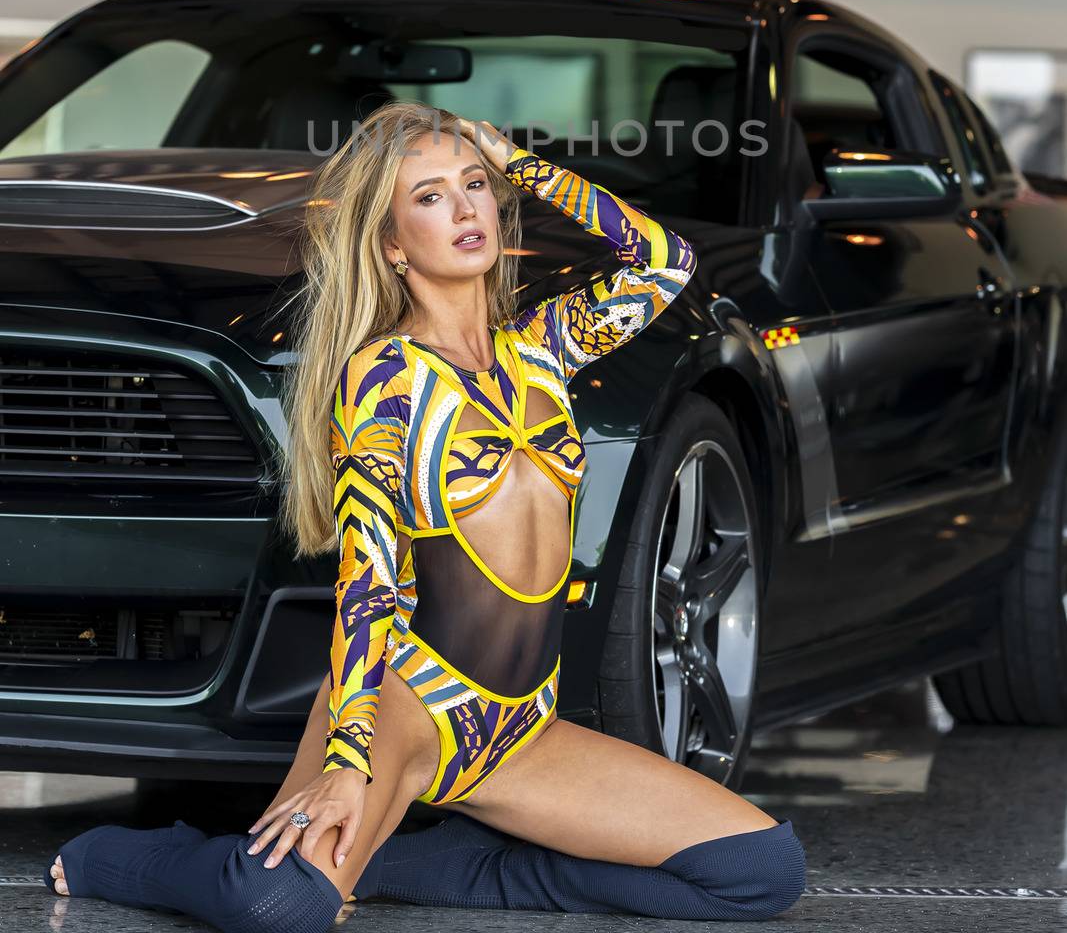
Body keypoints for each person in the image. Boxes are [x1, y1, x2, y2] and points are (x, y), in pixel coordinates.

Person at [46, 104, 806, 926]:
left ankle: (416, 865)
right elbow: (366, 572)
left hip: (520, 726)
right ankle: (126, 855)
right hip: (412, 706)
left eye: (473, 187)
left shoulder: (545, 347)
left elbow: (663, 262)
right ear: (391, 245)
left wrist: (518, 162)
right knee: (275, 903)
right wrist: (345, 756)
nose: (466, 207)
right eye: (431, 197)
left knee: (759, 870)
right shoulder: (385, 380)